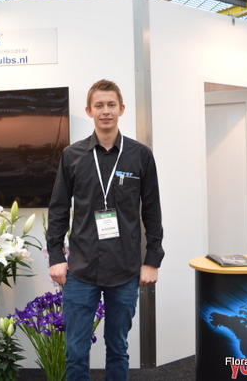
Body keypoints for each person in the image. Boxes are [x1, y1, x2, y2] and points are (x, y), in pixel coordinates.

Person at [47, 79, 164, 381]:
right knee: (75, 351)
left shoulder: (140, 155)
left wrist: (152, 260)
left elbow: (152, 212)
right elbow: (58, 209)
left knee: (118, 348)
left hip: (125, 269)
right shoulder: (72, 155)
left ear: (122, 108)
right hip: (81, 269)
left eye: (111, 104)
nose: (106, 111)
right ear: (89, 111)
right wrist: (55, 256)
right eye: (99, 105)